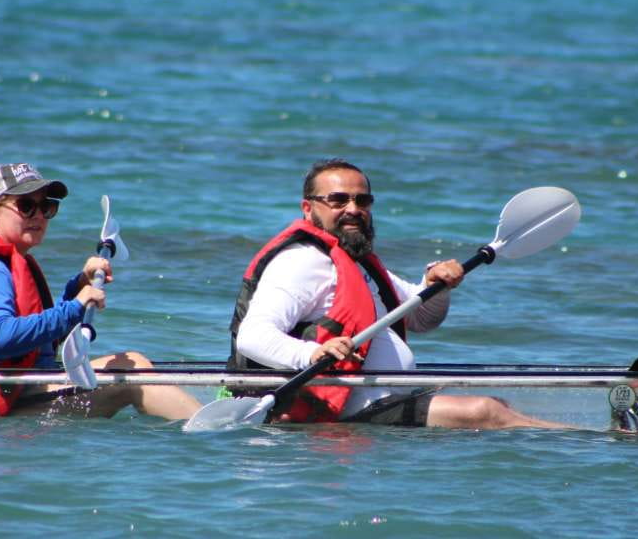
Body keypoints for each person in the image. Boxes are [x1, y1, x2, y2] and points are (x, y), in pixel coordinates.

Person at [228, 158, 567, 429]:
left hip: (377, 403)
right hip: (333, 410)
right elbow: (252, 336)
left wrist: (436, 284)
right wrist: (313, 354)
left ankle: (591, 436)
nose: (353, 208)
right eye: (338, 199)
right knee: (485, 411)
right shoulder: (301, 262)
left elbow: (422, 317)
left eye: (362, 200)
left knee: (498, 407)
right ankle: (593, 441)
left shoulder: (354, 264)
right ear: (308, 209)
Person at [0, 162, 201, 420]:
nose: (39, 216)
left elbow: (38, 344)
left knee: (131, 362)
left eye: (47, 206)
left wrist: (76, 290)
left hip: (16, 392)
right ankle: (215, 430)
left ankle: (206, 420)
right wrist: (72, 308)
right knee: (131, 371)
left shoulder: (8, 260)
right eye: (26, 206)